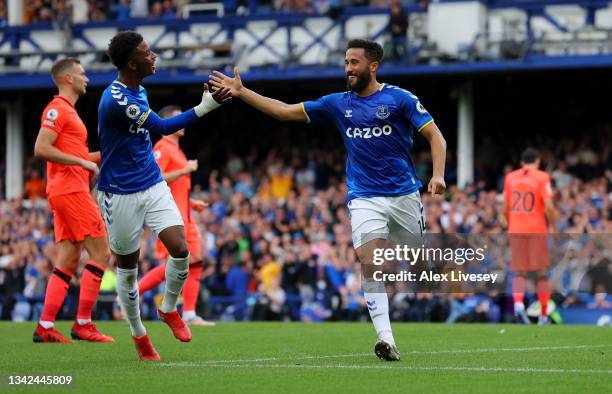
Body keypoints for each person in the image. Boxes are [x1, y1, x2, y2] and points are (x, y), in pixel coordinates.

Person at [208, 39, 447, 361]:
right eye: (346, 62)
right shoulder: (337, 103)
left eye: (354, 62)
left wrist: (438, 174)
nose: (348, 68)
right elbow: (283, 112)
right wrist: (242, 93)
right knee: (371, 262)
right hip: (364, 196)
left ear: (372, 66)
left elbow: (435, 136)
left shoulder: (400, 99)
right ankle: (386, 339)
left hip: (404, 194)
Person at [98, 31, 230, 360]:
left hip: (153, 185)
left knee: (181, 249)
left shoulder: (138, 89)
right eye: (147, 52)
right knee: (128, 270)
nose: (153, 55)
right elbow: (160, 128)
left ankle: (168, 308)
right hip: (120, 194)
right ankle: (138, 333)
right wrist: (206, 107)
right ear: (132, 63)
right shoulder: (117, 99)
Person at [33, 58, 114, 343]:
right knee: (101, 253)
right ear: (67, 78)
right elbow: (41, 148)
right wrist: (86, 165)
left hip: (64, 190)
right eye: (82, 74)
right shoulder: (57, 109)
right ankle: (83, 323)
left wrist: (106, 154)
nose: (87, 79)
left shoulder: (68, 112)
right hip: (70, 190)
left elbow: (78, 158)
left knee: (67, 261)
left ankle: (45, 326)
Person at [138, 105, 214, 326]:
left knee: (196, 261)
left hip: (185, 214)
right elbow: (155, 179)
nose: (181, 121)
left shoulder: (177, 150)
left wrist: (191, 202)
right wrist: (185, 169)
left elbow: (175, 189)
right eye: (175, 118)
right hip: (172, 218)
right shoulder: (162, 147)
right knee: (179, 262)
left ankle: (189, 313)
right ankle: (131, 293)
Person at [501, 148, 557, 325]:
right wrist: (554, 226)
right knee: (541, 274)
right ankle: (542, 314)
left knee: (520, 273)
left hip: (516, 229)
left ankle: (518, 304)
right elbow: (548, 206)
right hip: (536, 229)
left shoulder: (510, 178)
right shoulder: (542, 177)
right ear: (538, 161)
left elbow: (505, 207)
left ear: (521, 162)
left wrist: (512, 224)